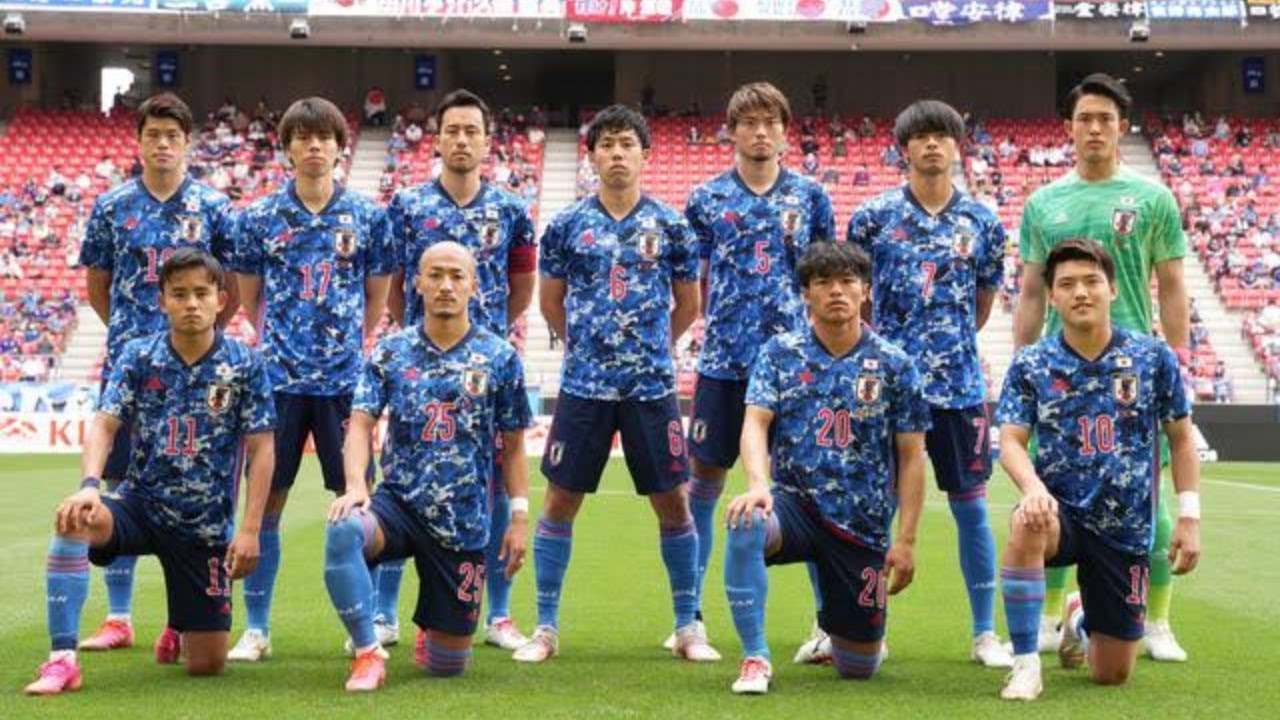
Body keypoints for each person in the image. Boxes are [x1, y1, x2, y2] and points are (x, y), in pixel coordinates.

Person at [24, 248, 275, 695]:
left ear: (221, 299)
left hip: (204, 525)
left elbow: (262, 448)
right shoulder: (139, 355)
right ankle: (62, 659)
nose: (191, 303)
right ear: (162, 301)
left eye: (201, 293)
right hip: (140, 506)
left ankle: (180, 623)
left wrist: (251, 529)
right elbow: (105, 425)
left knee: (206, 665)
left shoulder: (245, 363)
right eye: (179, 294)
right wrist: (89, 486)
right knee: (74, 518)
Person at [512, 105, 703, 663]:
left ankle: (687, 625)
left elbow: (689, 305)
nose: (617, 153)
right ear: (592, 155)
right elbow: (551, 302)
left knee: (673, 501)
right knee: (561, 499)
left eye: (627, 144)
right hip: (584, 388)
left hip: (651, 388)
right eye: (608, 144)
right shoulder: (567, 225)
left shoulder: (671, 226)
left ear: (645, 154)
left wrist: (651, 348)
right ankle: (545, 627)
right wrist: (588, 349)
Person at [1014, 73, 1193, 661]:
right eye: (1085, 118)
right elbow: (1031, 292)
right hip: (1060, 373)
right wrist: (1020, 360)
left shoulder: (1152, 199)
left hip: (1133, 374)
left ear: (1123, 127)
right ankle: (1050, 616)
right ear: (1069, 128)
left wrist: (1179, 360)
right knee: (1053, 491)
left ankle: (1157, 621)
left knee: (1149, 499)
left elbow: (1171, 283)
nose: (1095, 128)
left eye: (1106, 119)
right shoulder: (1043, 203)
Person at [322, 242, 532, 692]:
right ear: (417, 283)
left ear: (474, 285)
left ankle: (434, 628)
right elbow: (360, 423)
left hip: (462, 520)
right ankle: (367, 652)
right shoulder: (391, 351)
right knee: (343, 530)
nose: (445, 285)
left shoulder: (499, 357)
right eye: (435, 275)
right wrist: (356, 485)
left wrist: (518, 518)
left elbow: (514, 447)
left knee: (447, 666)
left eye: (457, 276)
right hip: (398, 505)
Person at [846, 99, 1012, 668]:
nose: (933, 144)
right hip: (887, 390)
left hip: (959, 387)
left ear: (957, 146)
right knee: (874, 509)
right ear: (905, 148)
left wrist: (946, 345)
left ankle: (985, 632)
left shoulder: (982, 223)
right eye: (922, 136)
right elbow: (857, 298)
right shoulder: (873, 218)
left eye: (943, 135)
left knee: (971, 507)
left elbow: (982, 303)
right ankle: (865, 626)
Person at [997, 239, 1201, 701]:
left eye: (1091, 281)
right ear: (1052, 296)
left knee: (1112, 673)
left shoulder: (1153, 357)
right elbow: (1010, 441)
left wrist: (1189, 517)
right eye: (1067, 284)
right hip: (1060, 513)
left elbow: (1181, 438)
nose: (1080, 292)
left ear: (1112, 289)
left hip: (1124, 528)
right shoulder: (1032, 362)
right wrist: (1032, 488)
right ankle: (1026, 664)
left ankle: (1079, 618)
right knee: (1027, 521)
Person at [228, 97, 393, 662]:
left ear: (340, 146)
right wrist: (287, 347)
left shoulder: (368, 217)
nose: (315, 146)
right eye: (303, 137)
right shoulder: (258, 218)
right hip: (277, 384)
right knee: (266, 503)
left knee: (358, 503)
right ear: (288, 148)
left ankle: (366, 624)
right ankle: (256, 628)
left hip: (345, 386)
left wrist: (340, 348)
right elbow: (249, 298)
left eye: (324, 137)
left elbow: (376, 300)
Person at [723, 241, 928, 695]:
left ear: (865, 290)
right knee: (746, 520)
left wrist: (907, 540)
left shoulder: (895, 364)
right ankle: (755, 656)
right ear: (806, 293)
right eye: (823, 282)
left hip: (860, 524)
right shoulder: (780, 352)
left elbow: (912, 457)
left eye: (847, 281)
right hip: (795, 507)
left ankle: (848, 637)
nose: (836, 291)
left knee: (859, 669)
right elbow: (755, 423)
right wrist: (757, 484)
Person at [77, 92, 239, 661]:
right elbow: (97, 284)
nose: (163, 144)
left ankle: (181, 618)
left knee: (195, 491)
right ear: (140, 141)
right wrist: (137, 341)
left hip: (198, 375)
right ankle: (119, 616)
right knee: (120, 484)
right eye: (154, 135)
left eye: (173, 135)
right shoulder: (112, 206)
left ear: (187, 142)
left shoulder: (214, 208)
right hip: (133, 369)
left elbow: (229, 287)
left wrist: (200, 342)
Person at [682, 81, 835, 658]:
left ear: (785, 131)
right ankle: (689, 616)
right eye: (749, 122)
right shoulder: (706, 199)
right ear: (732, 131)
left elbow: (826, 278)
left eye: (771, 121)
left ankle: (827, 621)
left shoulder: (811, 197)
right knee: (704, 483)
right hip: (723, 363)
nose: (761, 131)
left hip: (797, 370)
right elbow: (695, 281)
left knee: (814, 489)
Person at [385, 89, 537, 652]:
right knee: (400, 481)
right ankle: (384, 613)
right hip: (418, 369)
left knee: (493, 483)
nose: (462, 140)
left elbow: (522, 287)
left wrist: (485, 339)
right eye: (452, 130)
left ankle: (498, 613)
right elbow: (395, 286)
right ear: (438, 138)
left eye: (472, 130)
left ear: (487, 140)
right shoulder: (407, 206)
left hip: (485, 370)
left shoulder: (511, 209)